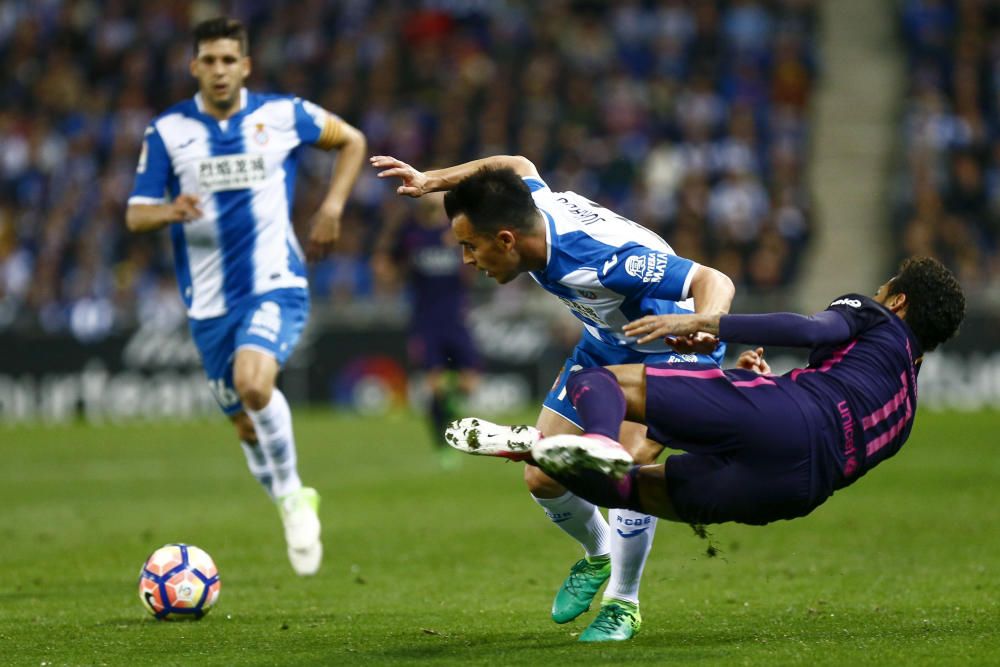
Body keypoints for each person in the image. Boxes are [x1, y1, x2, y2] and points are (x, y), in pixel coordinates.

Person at [371, 153, 735, 641]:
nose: (466, 260)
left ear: (506, 239)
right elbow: (517, 163)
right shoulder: (530, 209)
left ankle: (623, 604)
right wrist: (432, 180)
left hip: (668, 348)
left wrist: (703, 326)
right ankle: (599, 555)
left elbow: (713, 280)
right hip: (604, 343)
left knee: (625, 466)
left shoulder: (602, 260)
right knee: (541, 477)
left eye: (469, 246)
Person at [126, 17, 366, 576]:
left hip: (275, 282)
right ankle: (290, 495)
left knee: (254, 384)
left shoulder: (281, 115)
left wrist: (331, 207)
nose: (218, 70)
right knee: (243, 422)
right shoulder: (167, 132)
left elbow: (352, 140)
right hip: (208, 304)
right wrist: (170, 211)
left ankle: (291, 497)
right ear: (194, 67)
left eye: (228, 60)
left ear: (246, 66)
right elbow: (136, 213)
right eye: (208, 60)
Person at [527, 257, 965, 537]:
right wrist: (776, 385)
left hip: (785, 416)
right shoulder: (905, 413)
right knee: (629, 491)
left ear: (899, 300)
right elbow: (832, 428)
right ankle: (535, 452)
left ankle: (590, 443)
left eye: (883, 289)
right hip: (794, 491)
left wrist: (710, 322)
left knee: (598, 380)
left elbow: (814, 331)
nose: (875, 296)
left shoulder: (876, 317)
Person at [372, 196, 482, 468]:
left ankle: (452, 402)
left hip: (457, 318)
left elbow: (479, 262)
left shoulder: (458, 229)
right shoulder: (410, 233)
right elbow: (386, 266)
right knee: (434, 383)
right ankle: (443, 445)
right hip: (425, 321)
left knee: (470, 382)